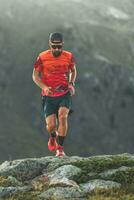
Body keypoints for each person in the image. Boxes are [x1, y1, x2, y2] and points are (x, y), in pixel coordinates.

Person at [32, 32, 77, 157]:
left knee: (63, 117)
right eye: (54, 46)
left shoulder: (69, 56)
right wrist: (44, 87)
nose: (57, 49)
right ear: (50, 44)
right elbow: (35, 76)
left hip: (64, 93)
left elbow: (73, 70)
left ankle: (60, 149)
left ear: (62, 44)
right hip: (49, 96)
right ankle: (52, 136)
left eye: (59, 46)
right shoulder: (42, 57)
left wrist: (71, 83)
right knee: (51, 125)